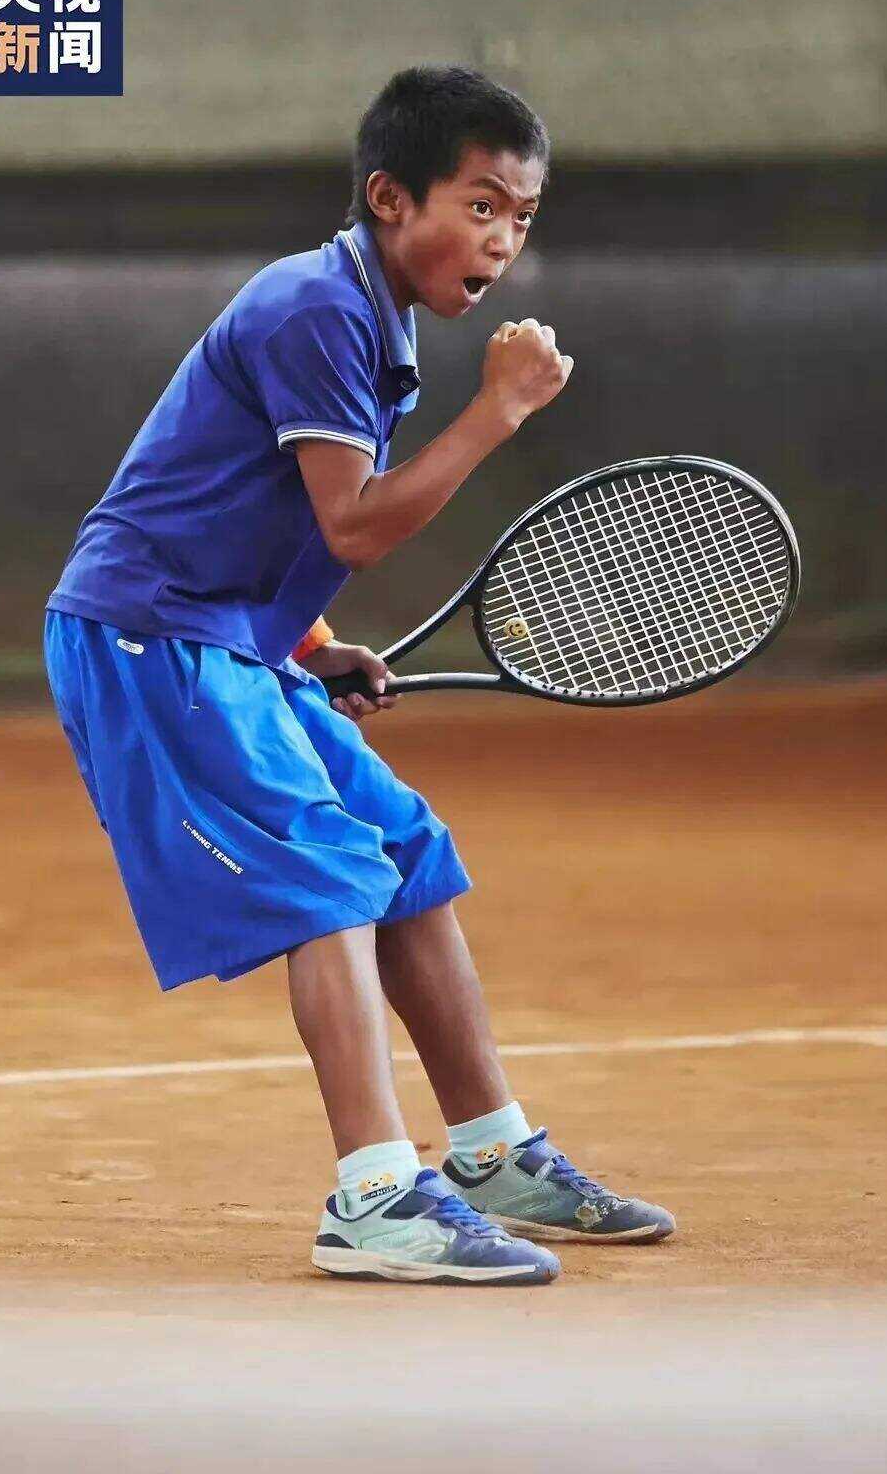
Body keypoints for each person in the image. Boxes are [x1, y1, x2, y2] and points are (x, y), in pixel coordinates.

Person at [44, 64, 675, 1286]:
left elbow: (255, 509)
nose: (502, 240)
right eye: (480, 206)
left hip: (228, 634)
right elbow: (354, 524)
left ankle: (491, 1153)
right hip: (148, 636)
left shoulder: (368, 317)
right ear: (391, 198)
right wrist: (497, 413)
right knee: (329, 878)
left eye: (521, 217)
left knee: (404, 854)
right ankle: (376, 1197)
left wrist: (308, 644)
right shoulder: (315, 310)